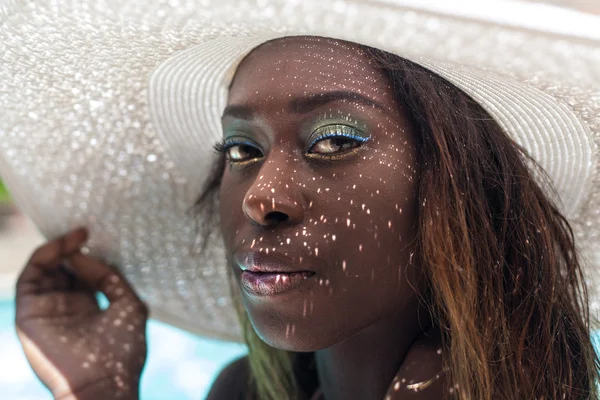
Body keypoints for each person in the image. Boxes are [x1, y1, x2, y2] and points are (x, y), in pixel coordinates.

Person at [12, 34, 600, 400]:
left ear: (463, 184)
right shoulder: (239, 391)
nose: (260, 196)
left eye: (335, 141)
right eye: (241, 151)